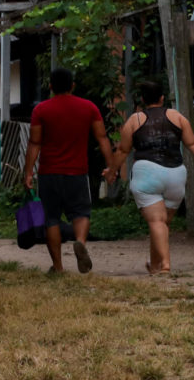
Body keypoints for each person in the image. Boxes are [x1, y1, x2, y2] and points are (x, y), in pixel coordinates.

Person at [104, 80, 194, 275]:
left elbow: (123, 150)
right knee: (162, 224)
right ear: (162, 98)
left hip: (147, 172)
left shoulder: (135, 120)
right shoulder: (177, 117)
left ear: (142, 99)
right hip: (175, 174)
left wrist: (113, 170)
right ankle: (155, 265)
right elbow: (193, 143)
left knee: (157, 222)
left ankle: (165, 265)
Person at [24, 68, 115, 274]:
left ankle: (58, 267)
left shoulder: (41, 110)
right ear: (73, 85)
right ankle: (80, 242)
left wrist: (28, 172)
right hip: (78, 173)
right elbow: (102, 138)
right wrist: (111, 166)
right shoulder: (89, 108)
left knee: (51, 219)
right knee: (81, 213)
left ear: (50, 87)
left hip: (49, 173)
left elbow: (34, 142)